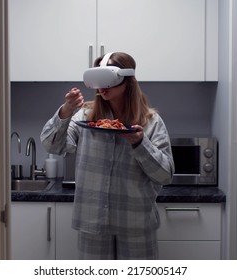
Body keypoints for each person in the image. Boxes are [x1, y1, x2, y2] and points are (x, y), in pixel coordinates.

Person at [40, 52, 174, 260]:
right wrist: (66, 110)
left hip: (135, 223)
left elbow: (165, 175)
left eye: (108, 79)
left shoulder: (151, 122)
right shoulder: (85, 117)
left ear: (127, 80)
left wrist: (139, 143)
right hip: (93, 223)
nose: (102, 87)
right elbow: (52, 145)